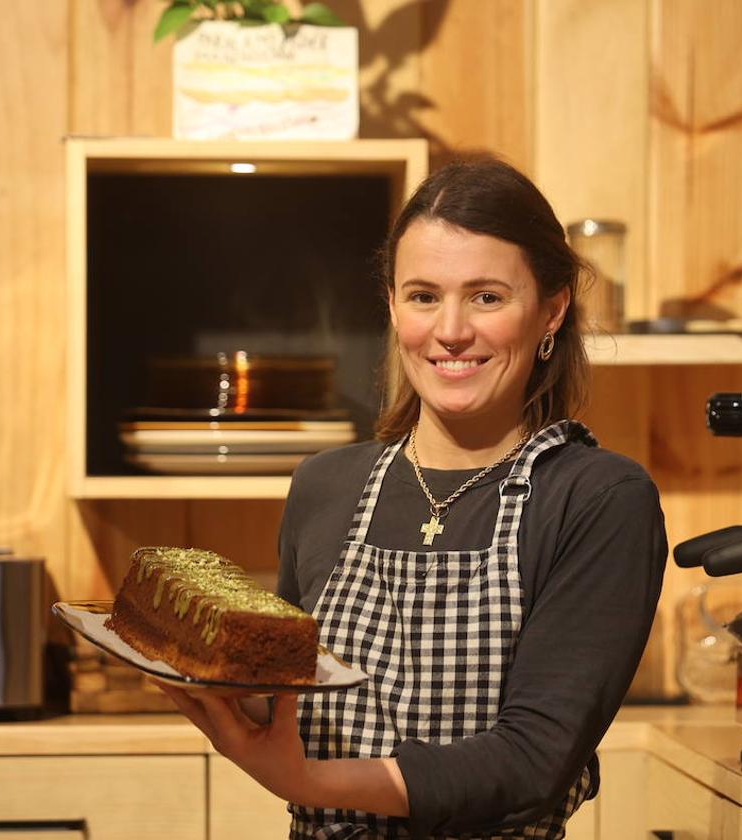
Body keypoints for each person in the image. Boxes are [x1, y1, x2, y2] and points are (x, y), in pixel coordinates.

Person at [162, 155, 668, 839]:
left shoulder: (597, 498)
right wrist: (208, 675)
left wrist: (301, 780)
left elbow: (531, 763)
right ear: (393, 304)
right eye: (424, 296)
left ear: (551, 311)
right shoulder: (325, 486)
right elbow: (285, 695)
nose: (450, 330)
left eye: (487, 297)